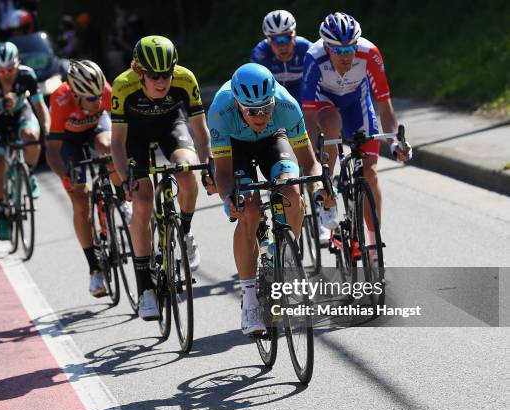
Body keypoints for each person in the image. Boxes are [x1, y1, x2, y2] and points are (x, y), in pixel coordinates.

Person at [208, 63, 320, 335]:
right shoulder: (221, 112)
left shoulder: (286, 107)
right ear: (238, 104)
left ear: (273, 100)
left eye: (266, 108)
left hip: (274, 140)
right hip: (237, 147)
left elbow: (310, 163)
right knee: (248, 209)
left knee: (292, 191)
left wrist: (318, 190)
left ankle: (284, 258)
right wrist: (229, 199)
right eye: (253, 111)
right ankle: (249, 300)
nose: (260, 116)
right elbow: (222, 172)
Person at [110, 36, 212, 320]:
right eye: (155, 75)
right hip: (135, 138)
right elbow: (116, 143)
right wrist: (124, 178)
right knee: (142, 202)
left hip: (171, 127)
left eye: (167, 74)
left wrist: (206, 168)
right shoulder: (123, 85)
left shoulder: (185, 79)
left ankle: (186, 231)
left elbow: (200, 131)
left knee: (188, 171)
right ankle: (145, 288)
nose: (162, 81)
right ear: (138, 71)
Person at [300, 12, 411, 252]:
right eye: (339, 51)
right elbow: (307, 116)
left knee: (370, 174)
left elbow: (384, 104)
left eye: (350, 48)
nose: (346, 56)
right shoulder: (313, 58)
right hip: (324, 104)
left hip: (356, 103)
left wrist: (395, 143)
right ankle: (327, 193)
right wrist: (314, 163)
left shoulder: (369, 53)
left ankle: (373, 246)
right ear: (327, 48)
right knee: (331, 123)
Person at [45, 60, 129, 298]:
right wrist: (65, 174)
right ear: (75, 93)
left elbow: (123, 132)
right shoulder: (60, 99)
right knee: (81, 202)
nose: (96, 101)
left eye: (98, 95)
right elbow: (52, 150)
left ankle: (122, 201)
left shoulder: (105, 92)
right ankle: (94, 268)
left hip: (97, 129)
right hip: (70, 143)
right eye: (90, 98)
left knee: (107, 146)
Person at [0, 41, 50, 241]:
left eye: (10, 68)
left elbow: (40, 107)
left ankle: (29, 172)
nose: (6, 74)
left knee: (33, 137)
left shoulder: (27, 75)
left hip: (20, 116)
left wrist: (49, 130)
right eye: (0, 71)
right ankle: (2, 216)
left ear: (18, 63)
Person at [250, 10, 312, 102]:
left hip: (301, 98)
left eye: (286, 38)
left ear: (294, 35)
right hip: (274, 100)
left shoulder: (307, 49)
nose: (282, 46)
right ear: (268, 40)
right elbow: (256, 89)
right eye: (276, 40)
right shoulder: (260, 54)